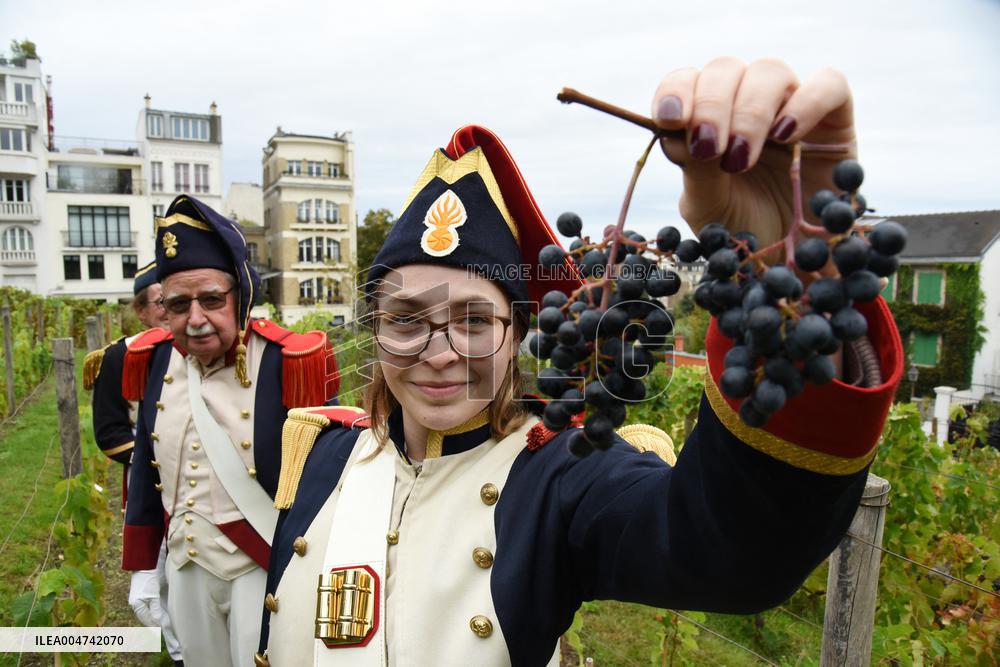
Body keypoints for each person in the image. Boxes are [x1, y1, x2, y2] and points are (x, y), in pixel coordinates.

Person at [255, 59, 903, 666]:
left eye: (474, 321)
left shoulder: (560, 477)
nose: (440, 352)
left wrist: (792, 289)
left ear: (518, 333)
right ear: (374, 330)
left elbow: (733, 555)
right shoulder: (320, 453)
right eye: (404, 319)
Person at [121, 195, 341, 667]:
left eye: (211, 300)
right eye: (178, 305)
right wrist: (143, 564)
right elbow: (146, 462)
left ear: (240, 296)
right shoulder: (155, 358)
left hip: (261, 564)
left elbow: (329, 476)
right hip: (185, 562)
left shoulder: (289, 359)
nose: (195, 319)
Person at [83, 261, 186, 664]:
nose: (171, 308)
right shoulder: (119, 356)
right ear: (141, 312)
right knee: (155, 581)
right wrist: (156, 457)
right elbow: (110, 434)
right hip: (148, 484)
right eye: (162, 301)